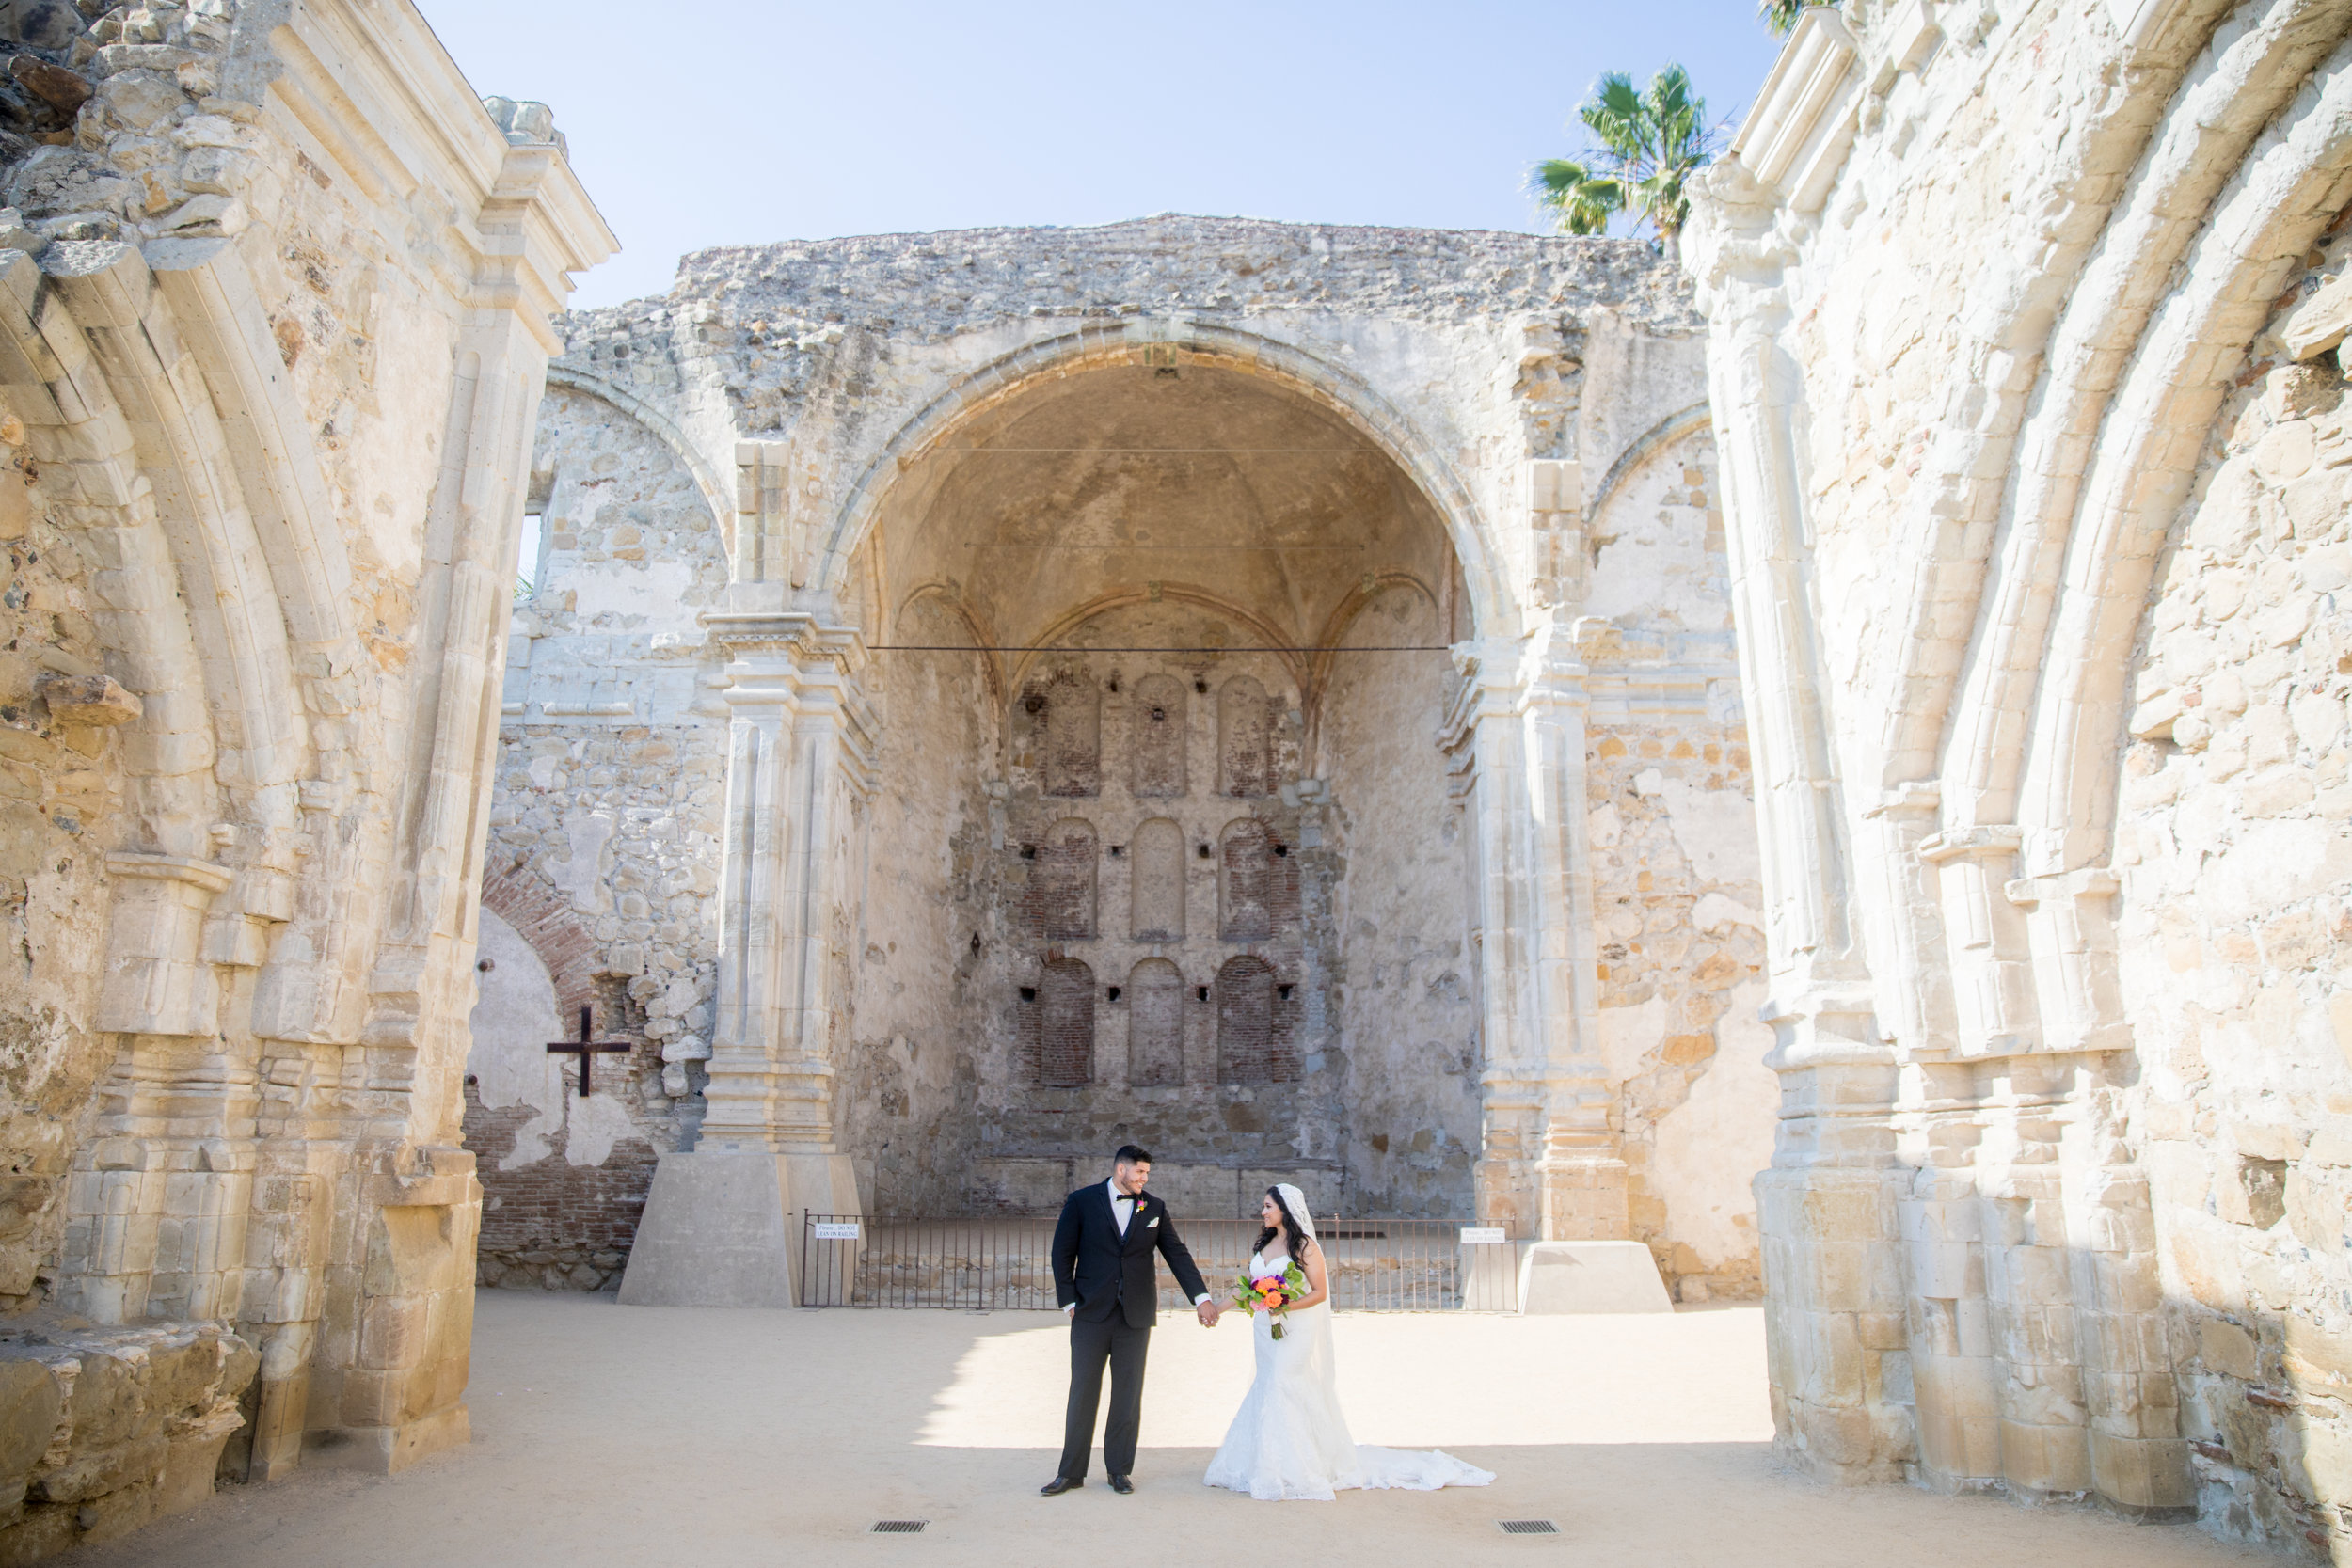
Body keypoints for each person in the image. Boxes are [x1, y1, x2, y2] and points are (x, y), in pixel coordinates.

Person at [1204, 1183, 1496, 1501]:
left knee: (1282, 1384)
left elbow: (1319, 1293)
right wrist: (1216, 1309)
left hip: (1294, 1329)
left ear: (1285, 1211)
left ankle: (1294, 1469)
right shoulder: (1265, 1244)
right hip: (1265, 1330)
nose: (1263, 1212)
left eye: (1268, 1207)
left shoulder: (1306, 1248)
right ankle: (1263, 1463)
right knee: (1268, 1384)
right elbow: (1247, 1287)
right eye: (1263, 1207)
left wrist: (1284, 1305)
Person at [1042, 1145, 1220, 1496]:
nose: (1144, 1179)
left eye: (1147, 1174)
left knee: (1127, 1396)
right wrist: (1068, 1302)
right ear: (1120, 1170)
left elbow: (1177, 1254)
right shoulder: (1081, 1201)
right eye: (1140, 1172)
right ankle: (1071, 1472)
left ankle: (1119, 1471)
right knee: (1083, 1393)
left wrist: (1201, 1299)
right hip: (1090, 1313)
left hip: (1135, 1316)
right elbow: (1062, 1253)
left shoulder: (1154, 1207)